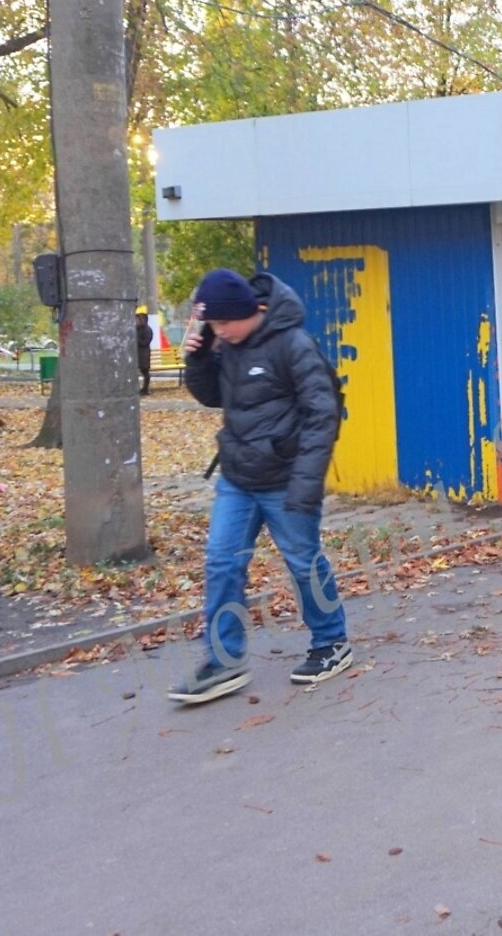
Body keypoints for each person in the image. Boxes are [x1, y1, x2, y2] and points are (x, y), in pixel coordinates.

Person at [169, 268, 351, 705]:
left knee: (303, 562)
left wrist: (306, 485)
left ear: (247, 311)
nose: (218, 331)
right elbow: (214, 396)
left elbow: (323, 414)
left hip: (285, 478)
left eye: (223, 322)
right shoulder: (227, 345)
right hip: (238, 477)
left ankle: (331, 642)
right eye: (211, 324)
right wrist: (199, 360)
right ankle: (224, 661)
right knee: (221, 563)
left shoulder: (293, 344)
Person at [135, 305, 153, 395]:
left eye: (138, 319)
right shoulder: (136, 329)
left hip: (144, 354)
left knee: (145, 372)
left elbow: (145, 342)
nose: (136, 321)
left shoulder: (148, 330)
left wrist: (136, 339)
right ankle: (138, 389)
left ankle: (145, 389)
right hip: (136, 354)